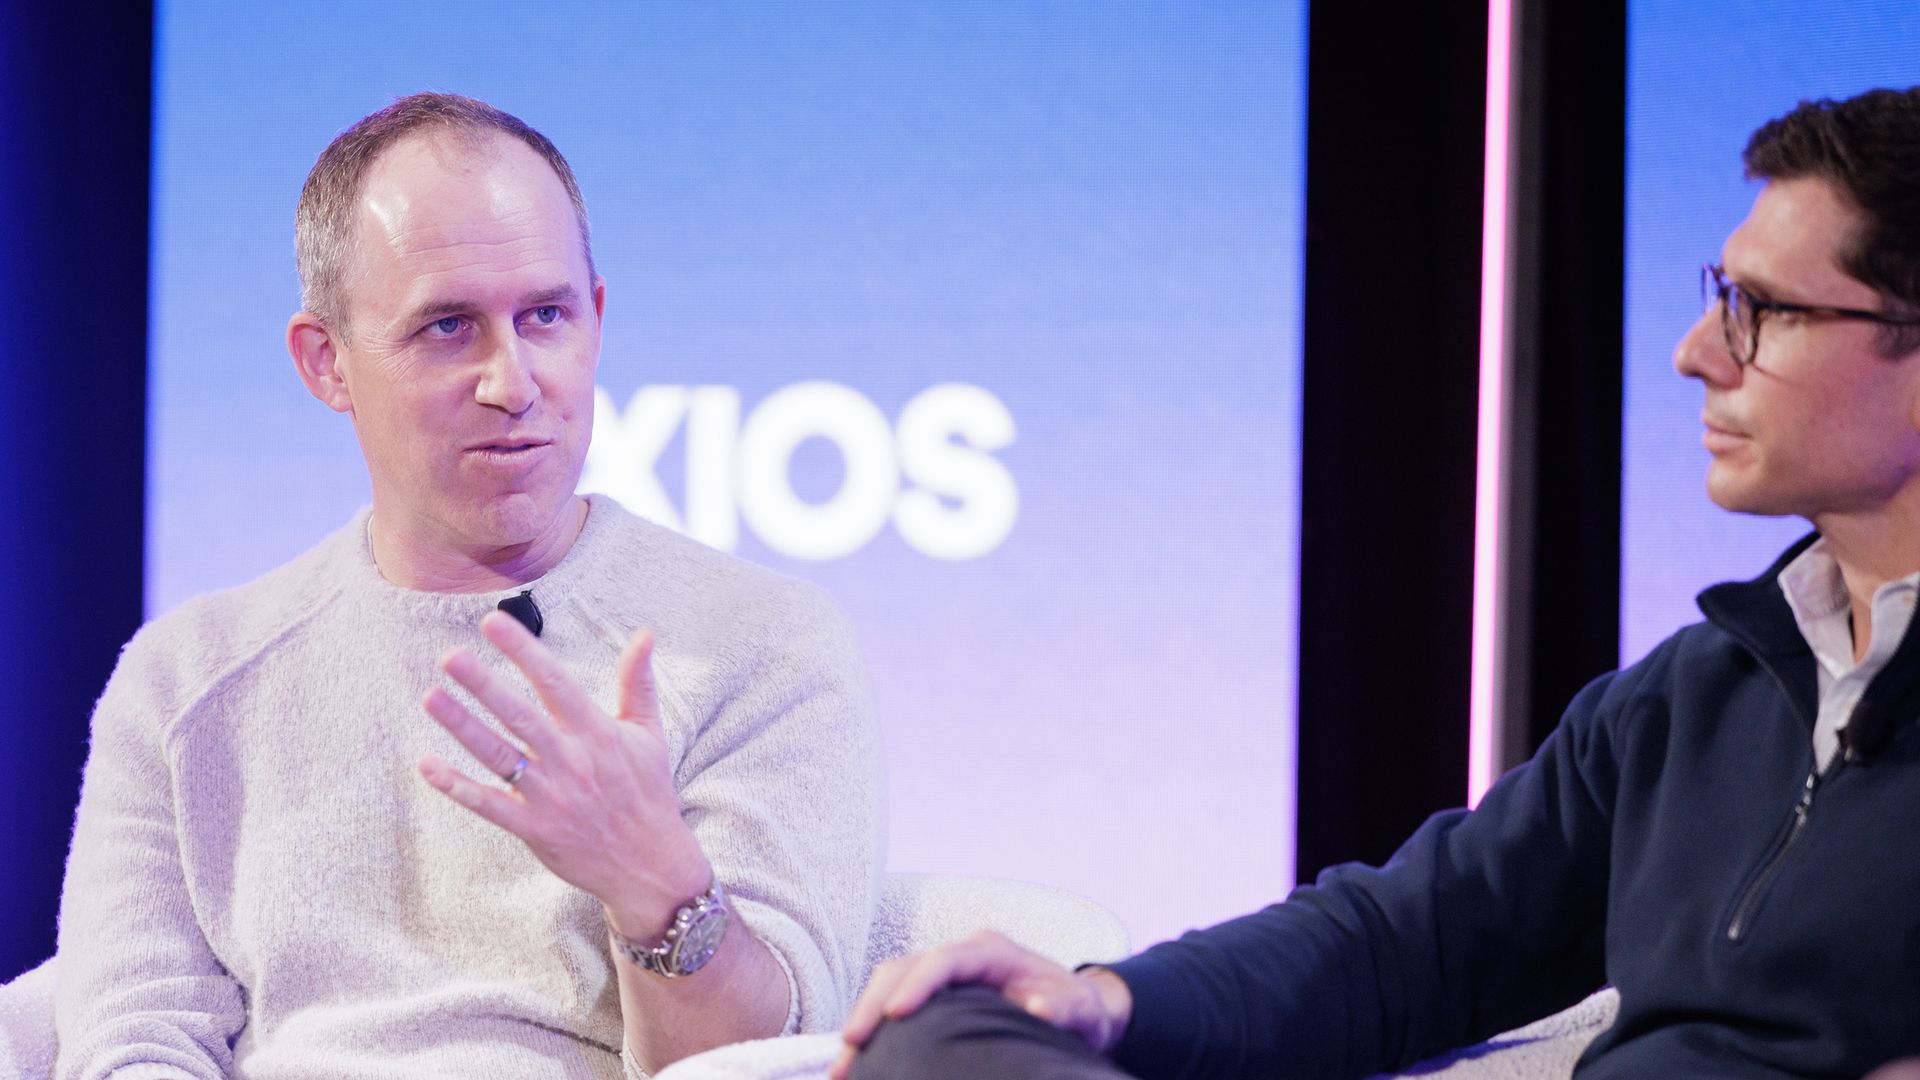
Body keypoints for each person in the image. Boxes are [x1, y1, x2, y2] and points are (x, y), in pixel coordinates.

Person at [834, 86, 1920, 1080]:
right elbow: (1410, 941)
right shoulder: (1701, 693)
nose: (1698, 352)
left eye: (1764, 311)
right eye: (1719, 296)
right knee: (945, 1037)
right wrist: (1101, 1001)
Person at [53, 93, 883, 1080]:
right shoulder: (186, 679)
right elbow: (130, 1044)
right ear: (327, 362)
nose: (514, 380)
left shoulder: (763, 646)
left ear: (598, 318)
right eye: (449, 328)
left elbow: (768, 1073)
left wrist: (655, 885)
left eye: (546, 316)